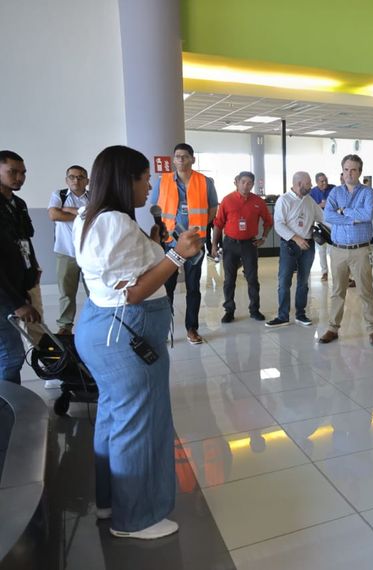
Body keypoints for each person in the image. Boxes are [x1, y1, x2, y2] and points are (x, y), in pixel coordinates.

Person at [73, 145, 203, 540]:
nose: (150, 185)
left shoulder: (92, 216)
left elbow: (122, 270)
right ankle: (137, 518)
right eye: (144, 178)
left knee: (116, 416)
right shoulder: (112, 222)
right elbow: (132, 291)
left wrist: (153, 245)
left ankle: (111, 500)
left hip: (106, 328)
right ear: (123, 180)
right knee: (138, 424)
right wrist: (178, 256)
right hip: (125, 334)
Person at [150, 143, 218, 345]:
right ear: (173, 159)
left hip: (195, 242)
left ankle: (192, 328)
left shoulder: (205, 181)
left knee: (193, 287)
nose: (180, 159)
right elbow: (156, 208)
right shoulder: (163, 181)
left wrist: (196, 229)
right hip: (170, 242)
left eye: (185, 156)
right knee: (167, 287)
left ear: (192, 159)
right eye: (177, 156)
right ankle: (164, 329)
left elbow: (213, 208)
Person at [318, 154, 373, 347]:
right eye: (346, 169)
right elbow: (328, 216)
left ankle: (372, 329)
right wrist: (352, 216)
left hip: (360, 250)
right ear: (342, 171)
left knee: (365, 290)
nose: (349, 173)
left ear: (360, 172)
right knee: (337, 291)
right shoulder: (336, 193)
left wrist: (343, 212)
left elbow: (367, 214)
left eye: (353, 170)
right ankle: (333, 328)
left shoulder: (368, 193)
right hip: (338, 250)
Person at [0, 150, 41, 384]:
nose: (19, 178)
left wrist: (32, 269)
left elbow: (25, 239)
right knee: (10, 356)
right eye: (12, 172)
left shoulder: (18, 204)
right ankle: (7, 414)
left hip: (18, 286)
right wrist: (16, 303)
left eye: (23, 173)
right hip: (4, 295)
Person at [211, 171, 273, 323]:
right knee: (229, 279)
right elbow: (218, 224)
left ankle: (254, 310)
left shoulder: (258, 201)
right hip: (230, 244)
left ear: (252, 184)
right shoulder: (227, 200)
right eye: (243, 182)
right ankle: (229, 311)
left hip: (249, 245)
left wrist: (263, 238)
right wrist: (213, 245)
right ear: (237, 182)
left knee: (252, 279)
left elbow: (268, 221)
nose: (246, 185)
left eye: (249, 183)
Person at [267, 171, 324, 328]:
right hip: (290, 245)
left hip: (308, 246)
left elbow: (323, 217)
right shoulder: (284, 200)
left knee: (303, 282)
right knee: (284, 281)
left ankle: (301, 314)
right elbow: (278, 224)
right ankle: (283, 316)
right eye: (308, 184)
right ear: (299, 184)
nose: (311, 186)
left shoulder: (309, 201)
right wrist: (296, 238)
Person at [48, 165, 90, 335]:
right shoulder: (59, 195)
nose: (76, 180)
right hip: (65, 252)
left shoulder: (93, 196)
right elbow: (54, 215)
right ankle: (65, 326)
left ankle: (96, 320)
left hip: (89, 253)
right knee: (66, 293)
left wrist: (67, 210)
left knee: (94, 290)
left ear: (87, 181)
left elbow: (97, 217)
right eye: (72, 177)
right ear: (67, 180)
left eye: (80, 177)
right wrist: (81, 213)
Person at [309, 172, 334, 281]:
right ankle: (324, 272)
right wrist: (321, 205)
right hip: (319, 223)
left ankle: (337, 273)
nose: (324, 183)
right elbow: (310, 208)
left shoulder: (334, 189)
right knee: (321, 249)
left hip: (332, 222)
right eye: (322, 181)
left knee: (333, 250)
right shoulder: (312, 192)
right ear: (316, 182)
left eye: (325, 180)